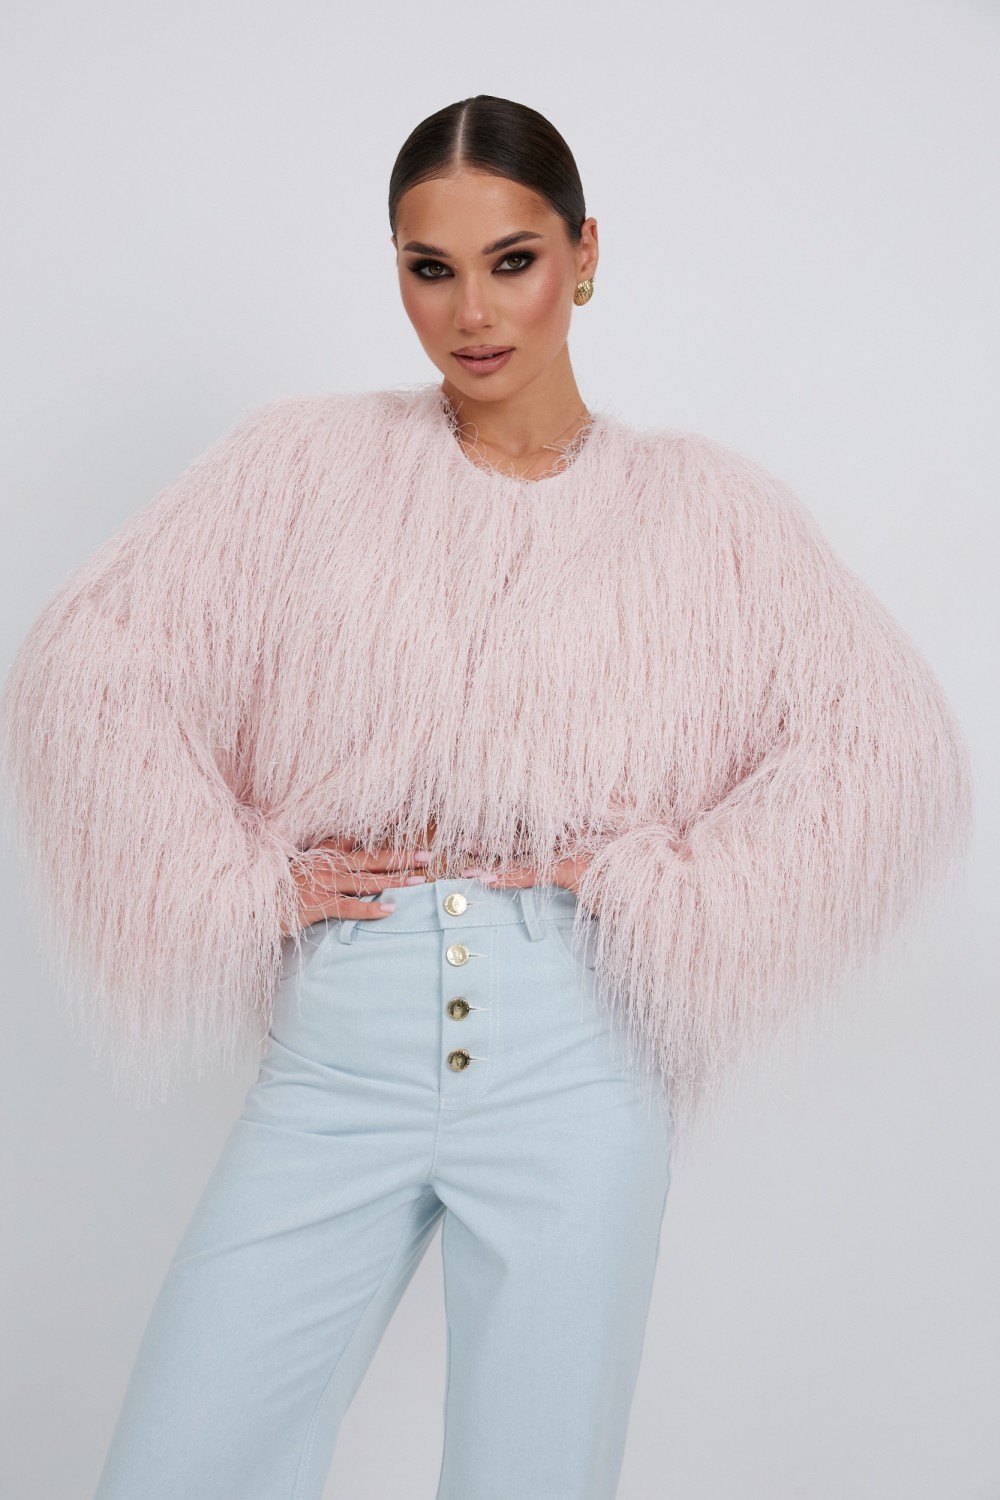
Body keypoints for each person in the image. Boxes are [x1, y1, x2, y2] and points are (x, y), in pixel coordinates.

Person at [0, 95, 974, 1500]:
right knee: (179, 1464)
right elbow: (90, 662)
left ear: (586, 254)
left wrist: (657, 882)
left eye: (512, 260)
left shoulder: (706, 514)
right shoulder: (302, 467)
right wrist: (242, 878)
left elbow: (888, 742)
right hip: (339, 1050)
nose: (472, 312)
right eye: (431, 267)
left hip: (575, 1048)